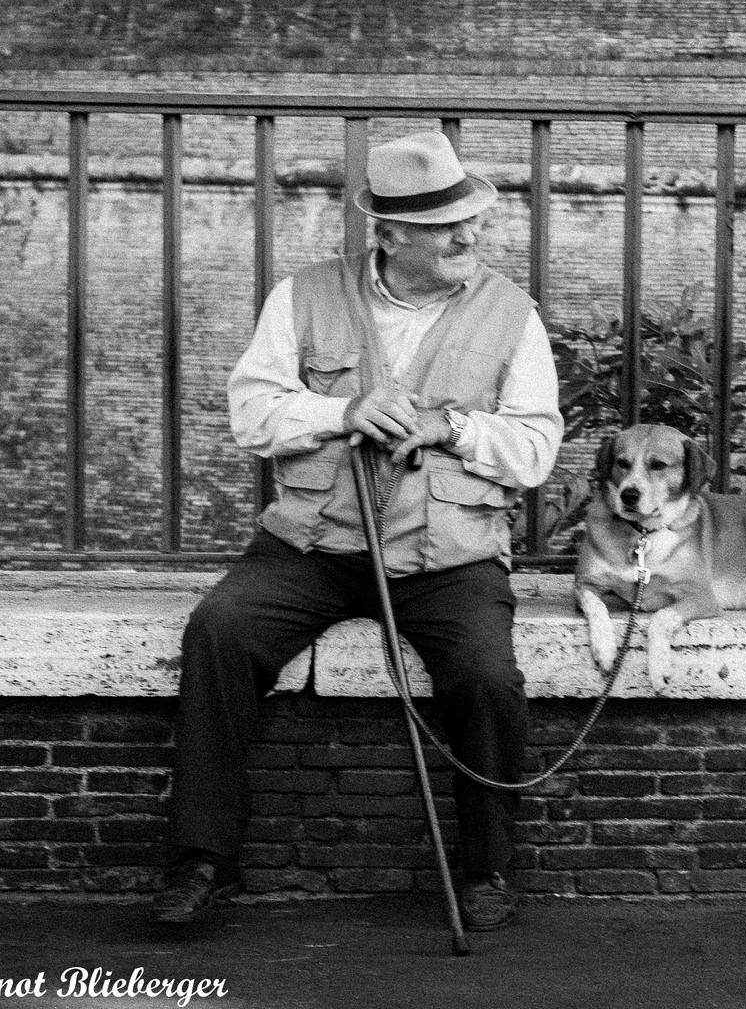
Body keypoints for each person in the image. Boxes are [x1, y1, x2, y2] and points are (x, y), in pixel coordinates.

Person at [152, 131, 562, 932]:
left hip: (449, 557)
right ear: (389, 233)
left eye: (472, 218)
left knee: (486, 678)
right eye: (446, 225)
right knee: (219, 634)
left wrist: (452, 428)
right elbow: (251, 413)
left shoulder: (513, 314)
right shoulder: (300, 296)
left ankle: (487, 868)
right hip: (315, 548)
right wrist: (339, 411)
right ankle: (201, 859)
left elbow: (536, 449)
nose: (468, 236)